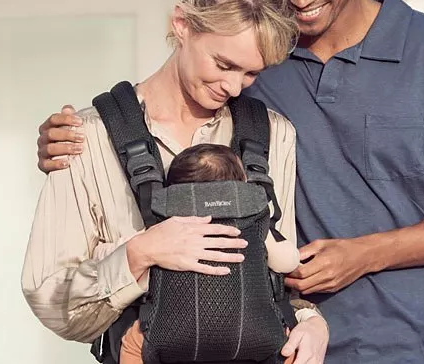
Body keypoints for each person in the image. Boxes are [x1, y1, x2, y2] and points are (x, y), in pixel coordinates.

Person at [35, 0, 424, 363]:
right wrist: (76, 134)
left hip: (421, 343)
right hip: (282, 345)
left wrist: (365, 254)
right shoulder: (259, 57)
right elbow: (178, 98)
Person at [21, 0, 329, 364]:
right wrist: (141, 253)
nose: (234, 88)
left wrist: (312, 322)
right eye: (223, 64)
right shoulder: (86, 138)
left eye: (251, 72)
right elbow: (52, 300)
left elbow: (275, 270)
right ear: (182, 24)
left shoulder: (273, 133)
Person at [98, 143, 301, 364]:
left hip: (169, 332)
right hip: (254, 330)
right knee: (288, 347)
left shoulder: (165, 225)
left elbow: (143, 276)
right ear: (241, 182)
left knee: (134, 343)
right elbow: (288, 262)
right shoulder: (253, 218)